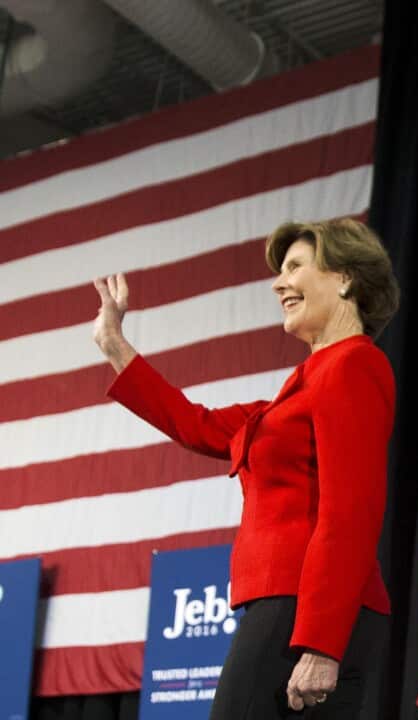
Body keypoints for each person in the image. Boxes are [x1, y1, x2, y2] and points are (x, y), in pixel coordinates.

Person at [92, 218, 399, 717]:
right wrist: (113, 343)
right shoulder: (301, 387)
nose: (279, 282)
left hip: (307, 609)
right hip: (290, 609)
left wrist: (321, 642)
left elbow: (352, 511)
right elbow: (197, 425)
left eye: (295, 266)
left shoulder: (352, 366)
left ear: (345, 278)